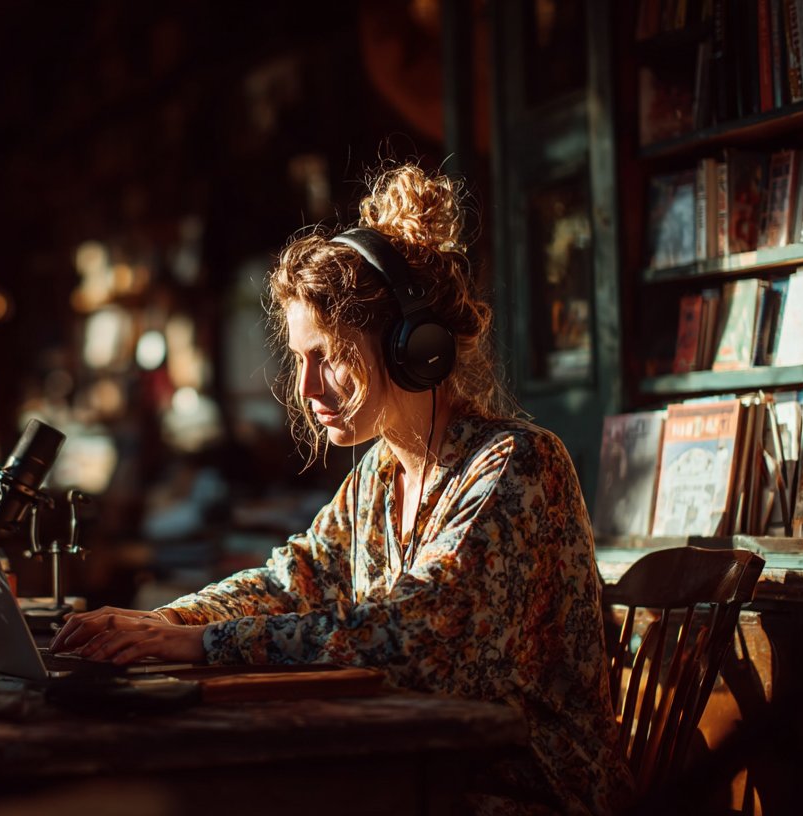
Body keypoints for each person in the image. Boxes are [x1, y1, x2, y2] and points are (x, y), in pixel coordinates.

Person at [50, 163, 633, 814]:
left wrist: (200, 643)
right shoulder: (378, 477)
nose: (305, 388)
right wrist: (166, 619)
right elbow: (287, 581)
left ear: (412, 346)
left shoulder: (517, 465)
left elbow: (416, 635)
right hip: (422, 769)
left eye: (325, 354)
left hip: (523, 791)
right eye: (299, 359)